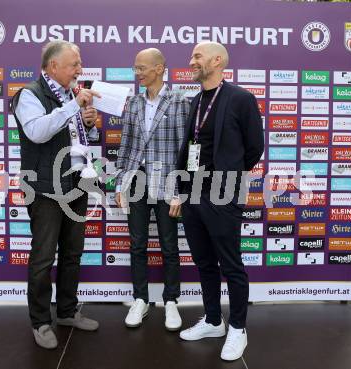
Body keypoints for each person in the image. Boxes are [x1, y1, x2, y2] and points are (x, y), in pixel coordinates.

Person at [177, 42, 264, 361]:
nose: (191, 61)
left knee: (231, 264)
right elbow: (188, 148)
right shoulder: (196, 100)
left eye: (197, 56)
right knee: (203, 262)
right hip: (193, 192)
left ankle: (238, 328)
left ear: (217, 60)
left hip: (224, 193)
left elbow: (255, 148)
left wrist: (229, 178)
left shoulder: (241, 99)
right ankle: (214, 320)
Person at [11, 40, 101, 349]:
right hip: (46, 189)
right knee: (43, 258)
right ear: (53, 67)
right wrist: (74, 107)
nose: (79, 69)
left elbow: (75, 139)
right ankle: (40, 322)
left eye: (79, 63)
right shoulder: (29, 94)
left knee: (73, 254)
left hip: (77, 184)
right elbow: (37, 132)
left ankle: (65, 312)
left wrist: (89, 127)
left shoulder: (69, 95)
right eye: (74, 64)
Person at [115, 48, 190, 331]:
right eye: (135, 68)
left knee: (170, 246)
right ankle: (140, 299)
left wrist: (180, 190)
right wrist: (120, 183)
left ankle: (171, 301)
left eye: (142, 68)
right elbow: (126, 146)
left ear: (159, 68)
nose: (138, 73)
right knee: (138, 244)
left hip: (168, 182)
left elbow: (185, 149)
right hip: (137, 180)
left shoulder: (180, 101)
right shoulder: (133, 103)